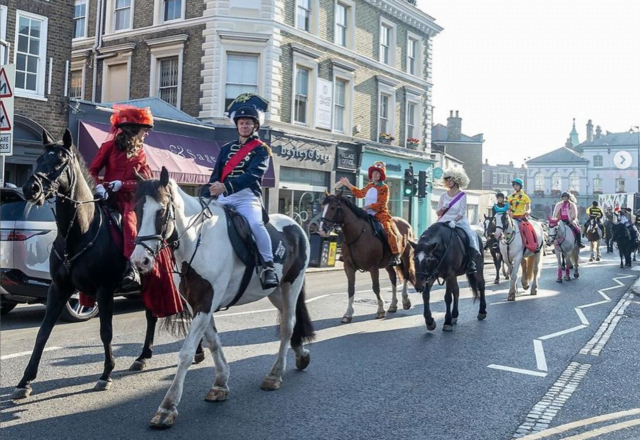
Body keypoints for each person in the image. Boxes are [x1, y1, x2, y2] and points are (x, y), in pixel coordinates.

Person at [205, 93, 278, 289]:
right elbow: (216, 174)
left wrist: (226, 187)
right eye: (241, 123)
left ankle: (268, 266)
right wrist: (210, 191)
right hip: (223, 195)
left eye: (248, 123)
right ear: (237, 125)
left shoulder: (261, 150)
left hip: (246, 197)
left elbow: (253, 175)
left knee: (255, 224)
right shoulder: (226, 149)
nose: (244, 126)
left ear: (255, 126)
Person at [89, 104, 153, 289]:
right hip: (106, 197)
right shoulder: (108, 147)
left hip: (128, 200)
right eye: (144, 130)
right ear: (134, 130)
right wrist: (99, 186)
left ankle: (131, 268)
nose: (146, 134)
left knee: (130, 225)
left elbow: (144, 182)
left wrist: (123, 185)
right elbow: (92, 170)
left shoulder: (141, 153)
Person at [339, 161, 402, 266]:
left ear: (381, 175)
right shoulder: (369, 186)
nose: (375, 175)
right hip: (366, 213)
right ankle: (347, 252)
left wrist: (368, 206)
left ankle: (394, 255)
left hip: (380, 214)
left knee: (388, 230)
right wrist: (348, 184)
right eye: (374, 173)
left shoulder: (384, 187)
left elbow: (381, 204)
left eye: (377, 173)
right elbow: (359, 194)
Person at [435, 168, 480, 274]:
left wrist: (454, 221)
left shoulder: (462, 195)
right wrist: (443, 208)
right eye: (447, 180)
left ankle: (471, 261)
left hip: (458, 220)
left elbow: (462, 212)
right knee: (430, 234)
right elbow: (438, 213)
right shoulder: (443, 195)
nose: (449, 182)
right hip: (444, 219)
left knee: (470, 235)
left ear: (456, 181)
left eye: (451, 180)